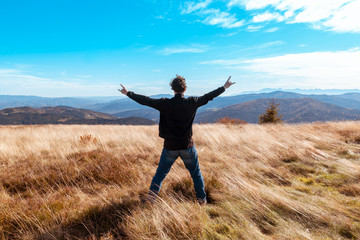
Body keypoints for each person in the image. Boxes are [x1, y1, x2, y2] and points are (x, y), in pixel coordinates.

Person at [118, 75, 235, 205]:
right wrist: (224, 87)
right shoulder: (192, 102)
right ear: (185, 89)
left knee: (160, 175)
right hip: (187, 146)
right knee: (196, 174)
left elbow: (146, 100)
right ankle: (202, 201)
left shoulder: (164, 103)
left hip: (170, 147)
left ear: (172, 89)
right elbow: (208, 96)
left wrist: (128, 93)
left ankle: (151, 200)